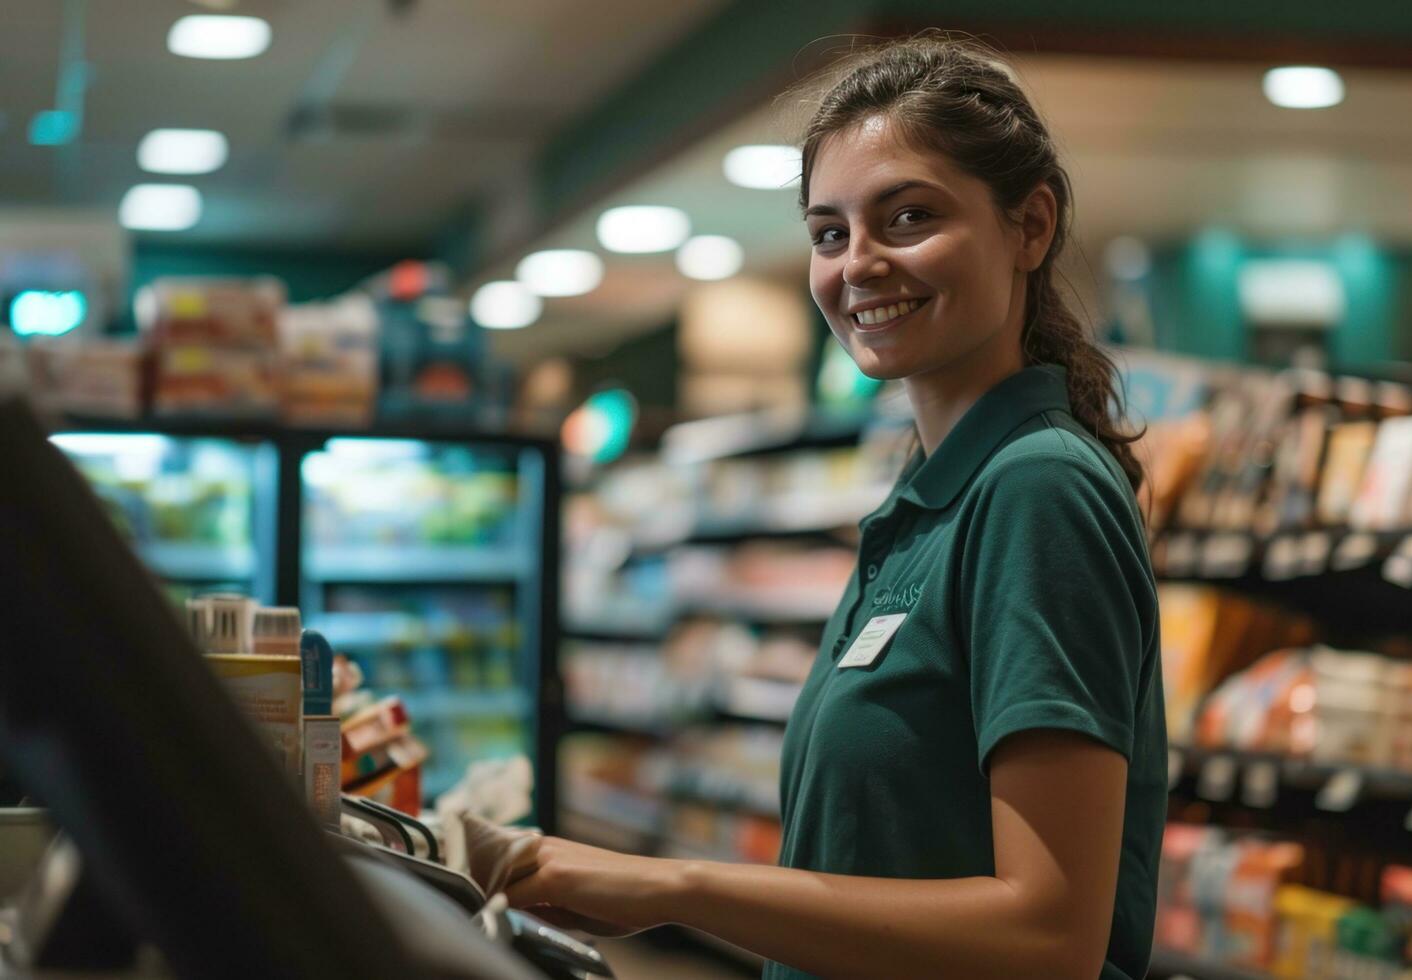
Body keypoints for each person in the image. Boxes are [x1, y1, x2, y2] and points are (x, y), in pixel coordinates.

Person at [468, 36, 1167, 980]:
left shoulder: (1035, 488)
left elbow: (1048, 937)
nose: (859, 264)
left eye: (908, 216)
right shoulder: (929, 498)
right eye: (828, 232)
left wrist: (676, 887)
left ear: (1029, 226)